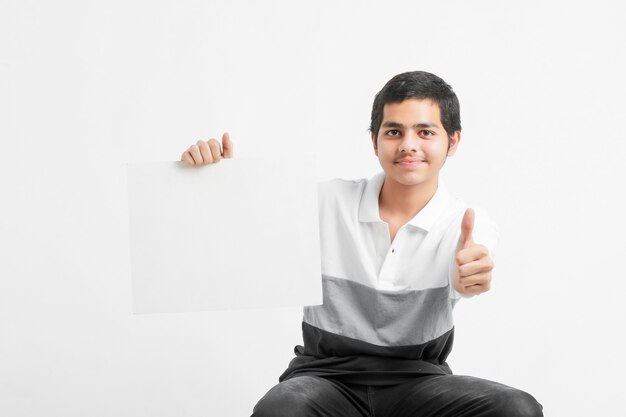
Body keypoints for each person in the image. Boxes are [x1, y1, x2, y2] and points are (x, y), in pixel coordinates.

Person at [181, 71, 543, 417]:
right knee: (280, 409)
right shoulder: (326, 202)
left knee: (517, 408)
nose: (408, 145)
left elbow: (476, 260)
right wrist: (216, 179)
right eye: (394, 131)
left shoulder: (466, 223)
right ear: (374, 141)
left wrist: (470, 275)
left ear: (453, 141)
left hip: (419, 383)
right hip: (325, 379)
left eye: (426, 131)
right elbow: (241, 230)